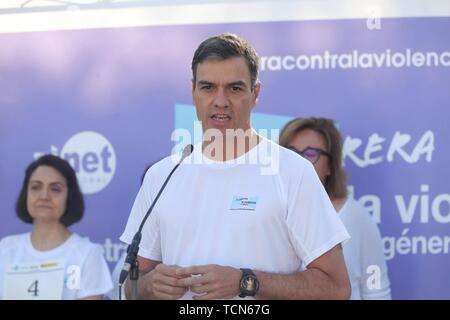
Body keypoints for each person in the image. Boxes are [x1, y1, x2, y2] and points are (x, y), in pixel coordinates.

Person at [120, 33, 351, 300]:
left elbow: (336, 288)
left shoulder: (292, 171)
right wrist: (150, 285)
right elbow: (131, 286)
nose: (220, 101)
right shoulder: (162, 175)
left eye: (235, 88)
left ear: (255, 93)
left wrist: (246, 281)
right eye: (208, 87)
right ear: (193, 92)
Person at [279, 117, 391, 299]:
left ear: (330, 165)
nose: (300, 163)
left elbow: (376, 288)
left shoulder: (355, 216)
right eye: (291, 153)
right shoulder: (266, 214)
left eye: (310, 154)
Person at [0, 154, 113, 300]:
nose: (44, 196)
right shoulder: (5, 249)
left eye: (55, 189)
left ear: (69, 197)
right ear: (26, 194)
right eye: (36, 187)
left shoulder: (87, 255)